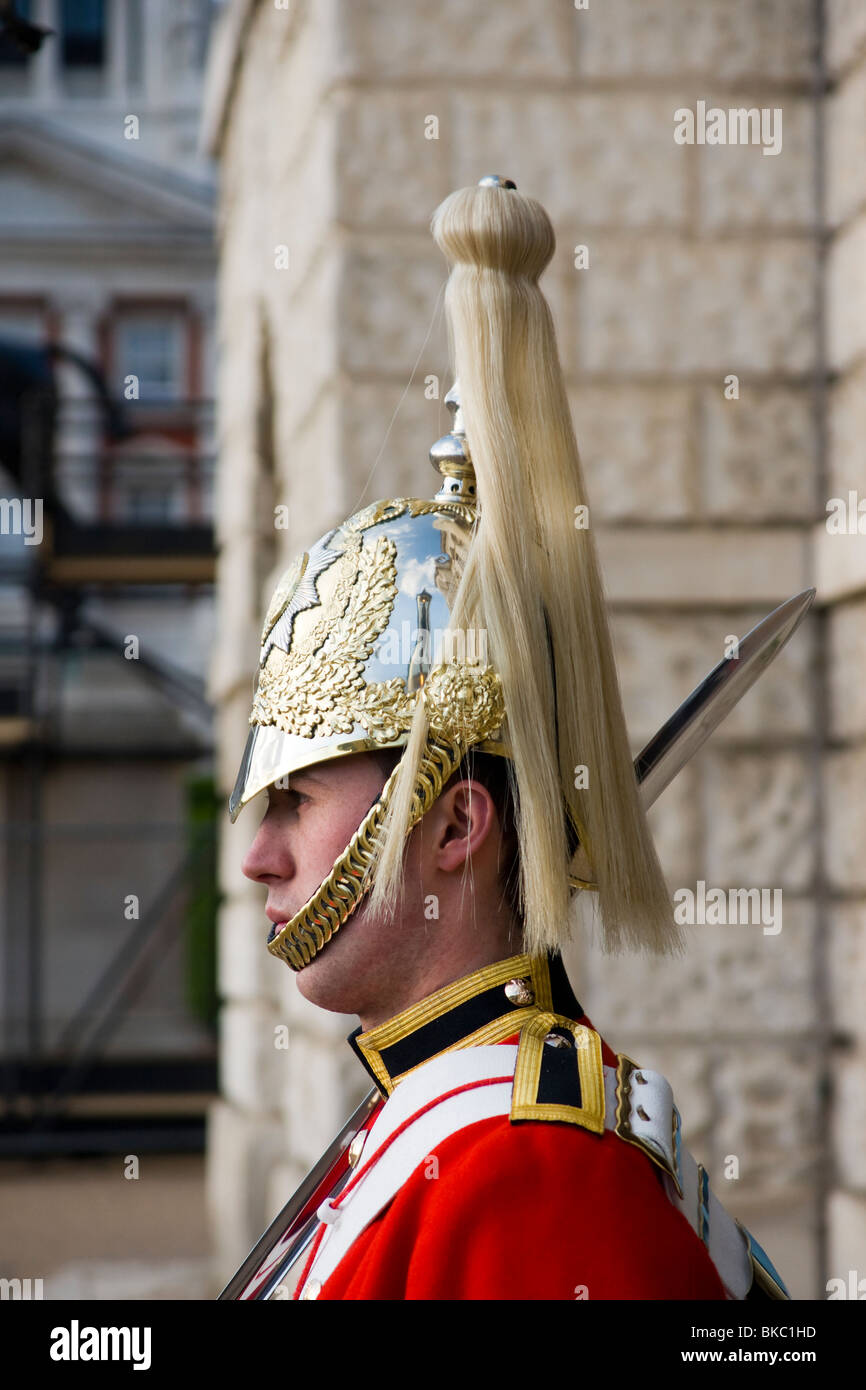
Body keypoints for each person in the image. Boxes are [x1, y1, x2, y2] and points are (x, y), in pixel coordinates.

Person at [229, 176, 791, 1301]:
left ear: (453, 821)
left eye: (296, 798)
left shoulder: (530, 1168)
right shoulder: (436, 1111)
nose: (259, 855)